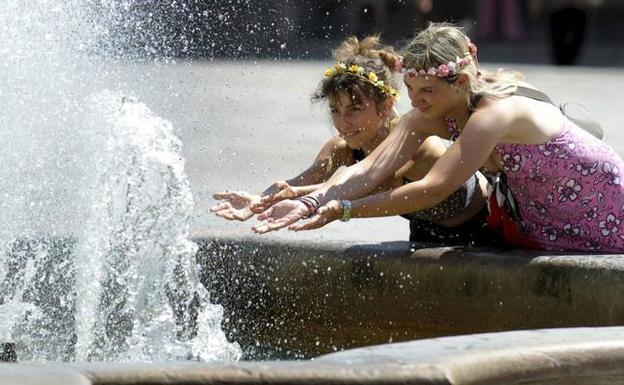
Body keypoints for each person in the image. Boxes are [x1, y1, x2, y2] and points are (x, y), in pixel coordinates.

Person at [253, 22, 624, 253]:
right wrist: (313, 202)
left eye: (426, 91)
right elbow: (369, 169)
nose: (415, 102)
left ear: (461, 82)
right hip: (549, 215)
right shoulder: (430, 113)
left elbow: (434, 187)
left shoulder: (493, 113)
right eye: (411, 89)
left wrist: (344, 211)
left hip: (598, 207)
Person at [212, 35, 499, 245]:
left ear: (386, 105)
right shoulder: (341, 148)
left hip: (484, 227)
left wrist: (300, 196)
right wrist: (261, 199)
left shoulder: (417, 143)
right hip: (427, 231)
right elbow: (301, 185)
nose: (342, 123)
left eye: (354, 110)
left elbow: (370, 185)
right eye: (336, 111)